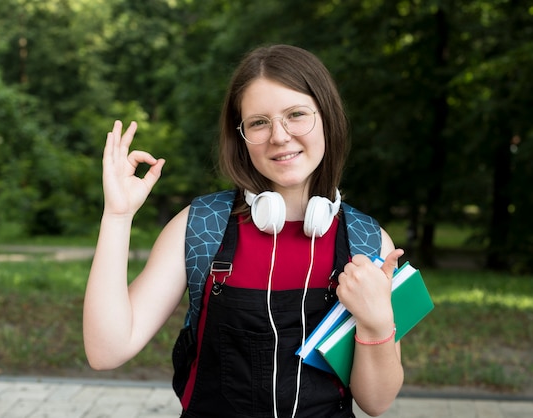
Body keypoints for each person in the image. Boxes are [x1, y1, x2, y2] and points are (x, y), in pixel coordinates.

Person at [83, 44, 404, 418]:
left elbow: (376, 402)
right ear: (242, 137)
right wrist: (117, 217)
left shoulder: (368, 241)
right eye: (259, 122)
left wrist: (377, 319)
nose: (279, 136)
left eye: (296, 114)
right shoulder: (202, 226)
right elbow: (107, 351)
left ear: (327, 119)